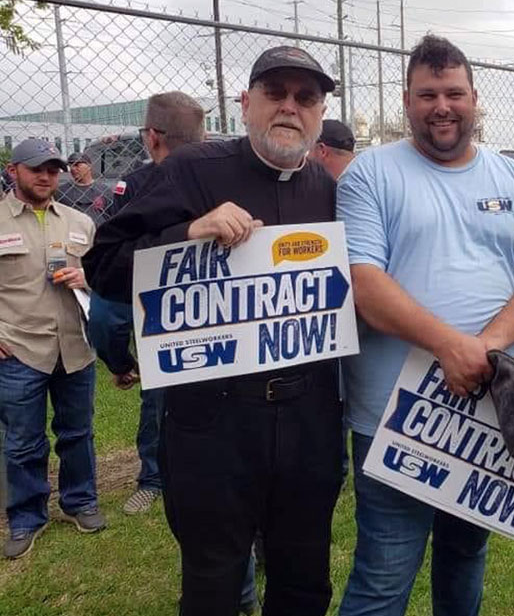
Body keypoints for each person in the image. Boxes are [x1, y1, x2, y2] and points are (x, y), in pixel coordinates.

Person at [83, 45, 344, 616]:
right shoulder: (190, 171)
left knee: (304, 580)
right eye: (275, 94)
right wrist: (185, 233)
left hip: (308, 419)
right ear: (245, 103)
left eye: (306, 98)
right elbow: (102, 266)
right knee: (213, 583)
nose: (290, 108)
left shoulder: (329, 190)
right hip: (213, 421)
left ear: (320, 112)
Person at [336, 34, 514, 616]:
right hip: (396, 413)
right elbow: (365, 284)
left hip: (494, 409)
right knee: (384, 573)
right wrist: (447, 345)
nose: (443, 105)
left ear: (475, 99)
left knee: (465, 562)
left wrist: (479, 351)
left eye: (455, 93)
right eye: (428, 94)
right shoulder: (370, 174)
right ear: (407, 101)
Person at [88, 91, 206, 519]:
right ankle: (157, 478)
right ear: (204, 133)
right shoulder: (229, 176)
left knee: (161, 401)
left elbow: (106, 307)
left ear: (152, 136)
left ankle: (155, 479)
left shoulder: (138, 186)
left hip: (166, 315)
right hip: (229, 318)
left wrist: (119, 362)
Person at [0, 138, 105, 560]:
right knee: (23, 439)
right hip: (20, 348)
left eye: (54, 169)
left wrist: (88, 282)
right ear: (13, 171)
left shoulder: (80, 222)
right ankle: (26, 517)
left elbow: (105, 278)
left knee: (77, 432)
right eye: (36, 169)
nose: (47, 176)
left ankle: (80, 502)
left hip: (75, 347)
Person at [57, 152, 114, 225]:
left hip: (100, 233)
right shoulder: (61, 191)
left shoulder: (104, 189)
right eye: (70, 165)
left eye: (77, 165)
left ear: (89, 166)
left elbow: (112, 214)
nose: (73, 169)